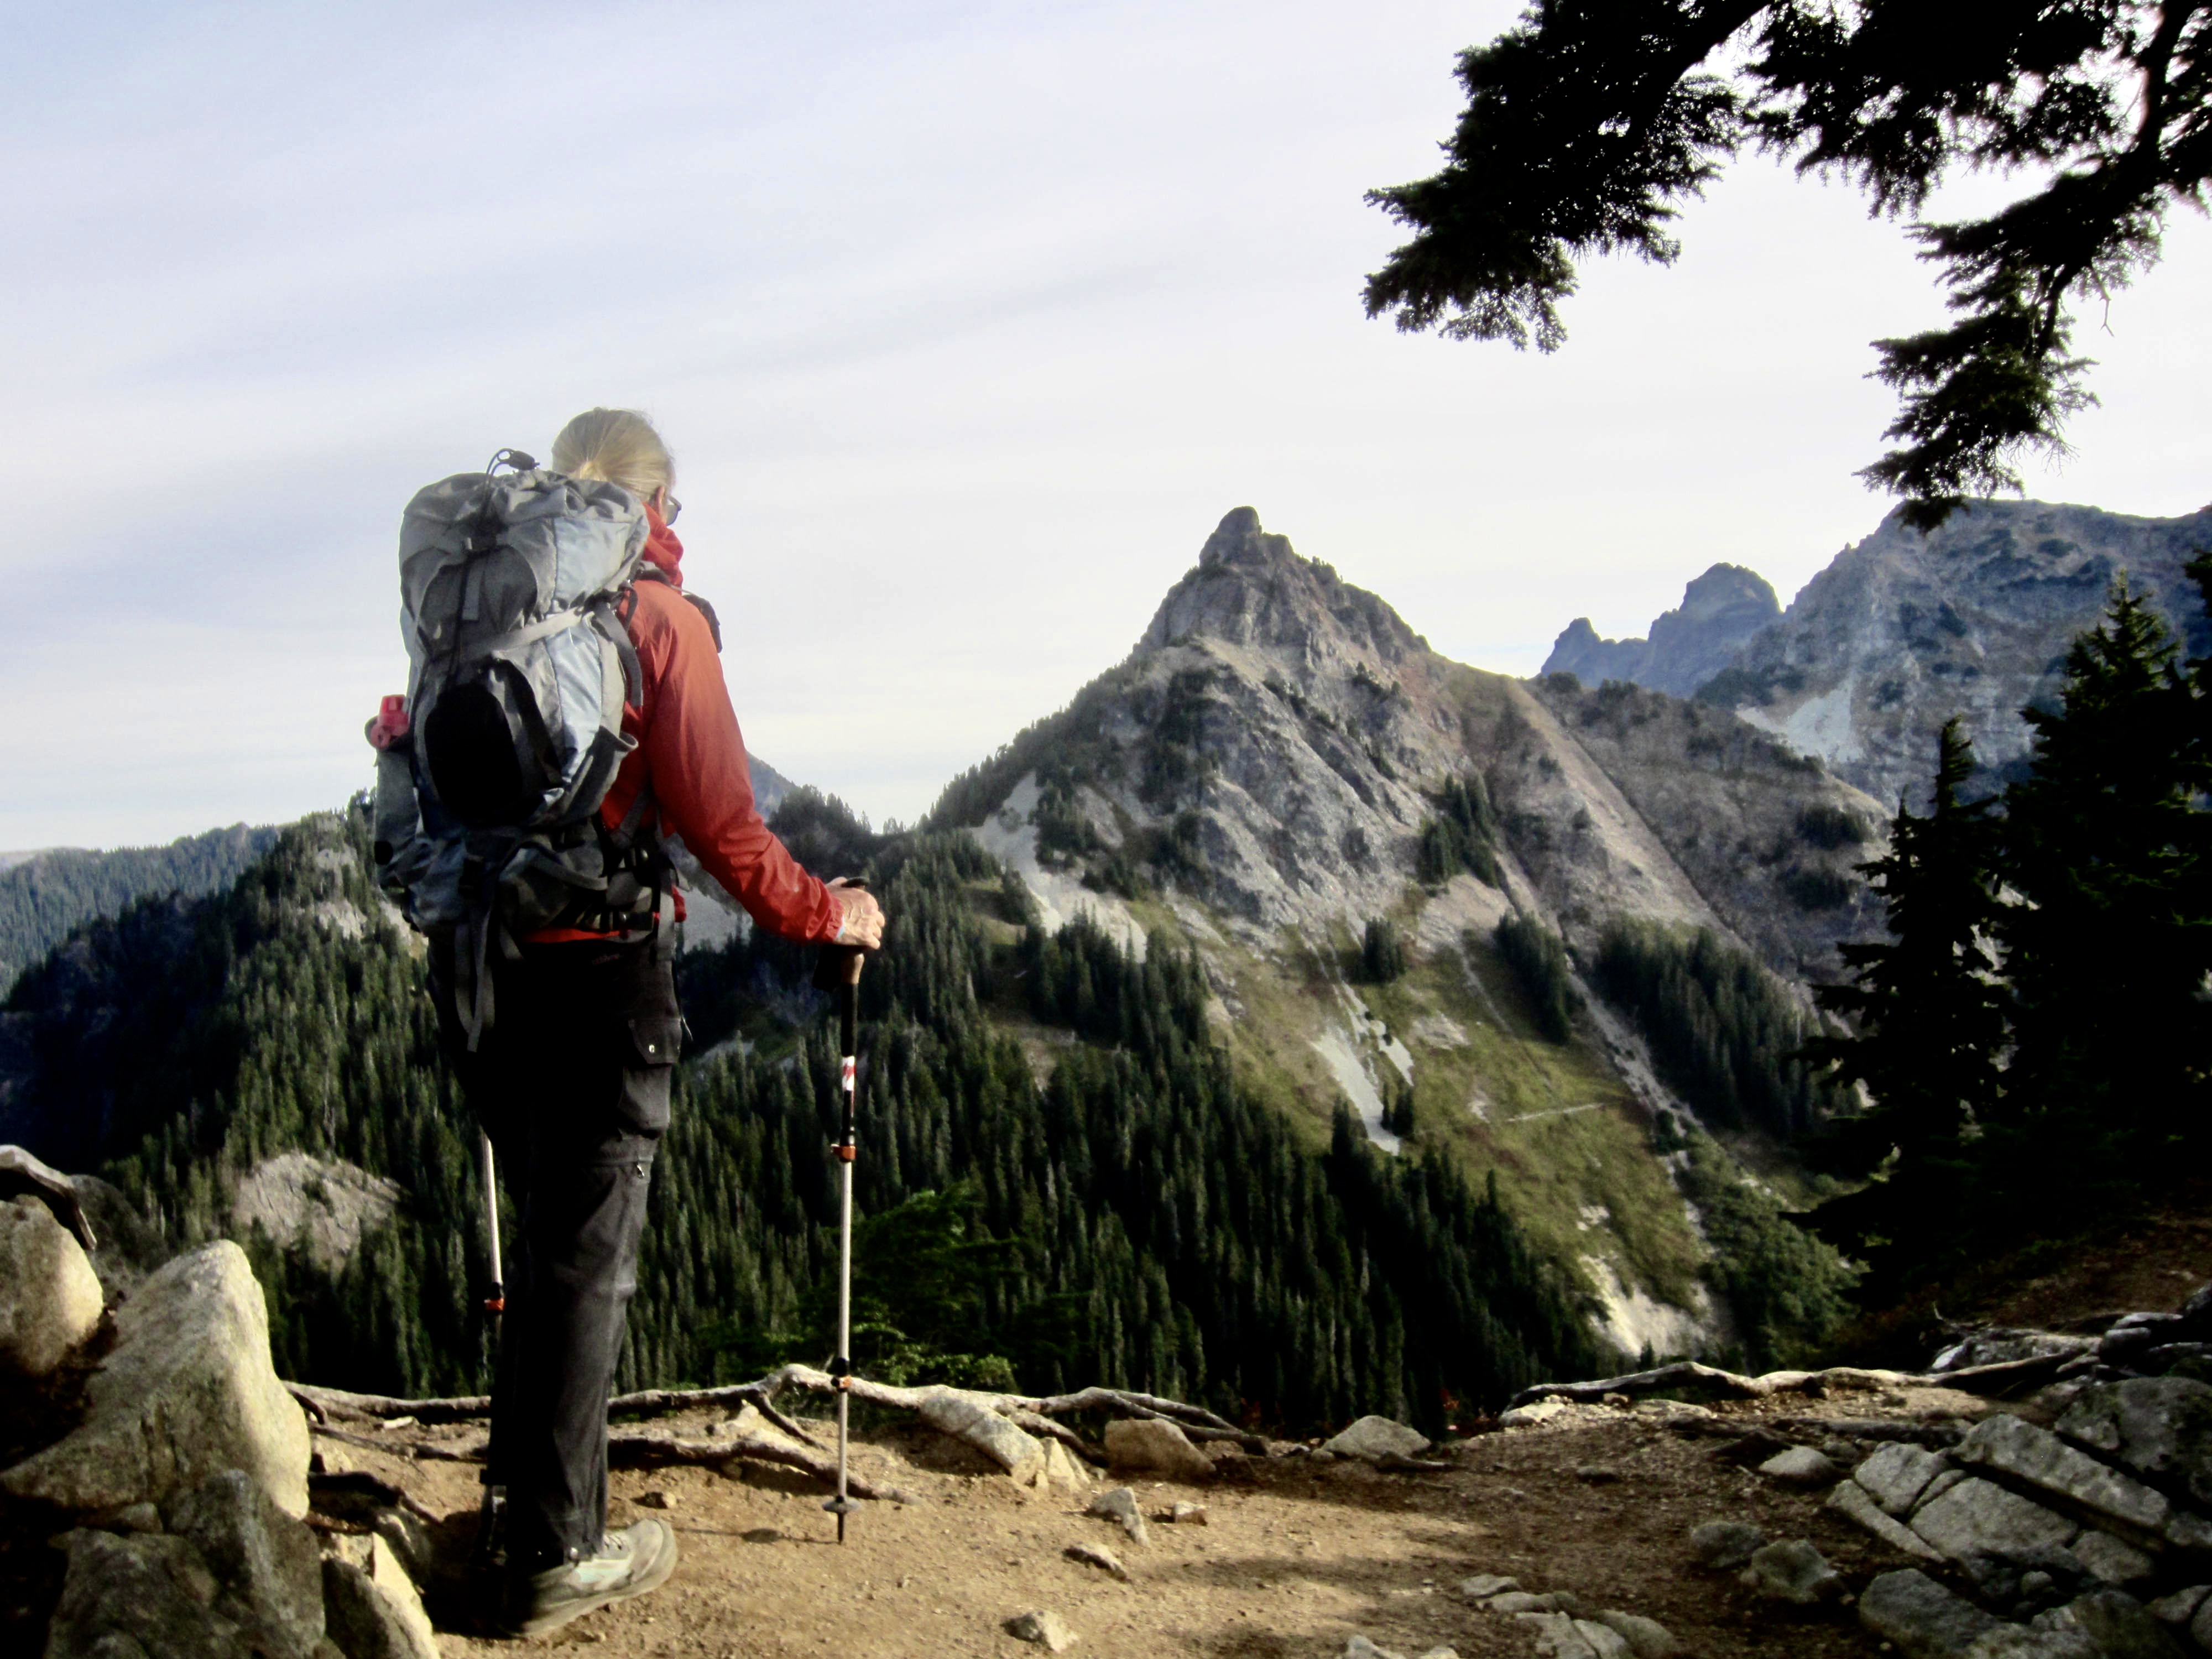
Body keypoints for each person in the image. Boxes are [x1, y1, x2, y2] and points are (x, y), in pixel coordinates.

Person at [429, 408, 885, 1638]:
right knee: (585, 1267)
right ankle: (557, 1550)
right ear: (655, 508)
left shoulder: (479, 612)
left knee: (546, 1248)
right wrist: (830, 913)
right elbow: (726, 829)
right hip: (601, 981)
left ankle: (520, 1510)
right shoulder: (659, 621)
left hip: (483, 973)